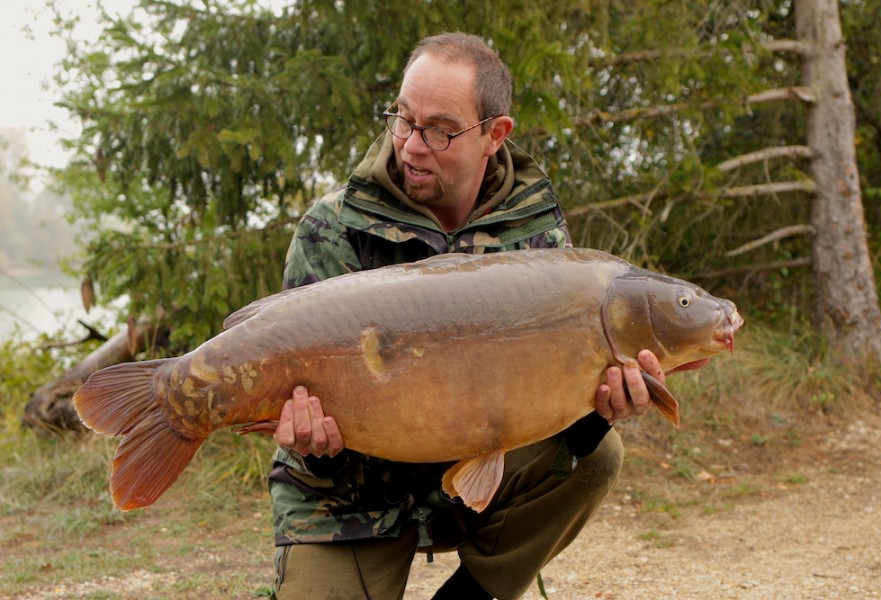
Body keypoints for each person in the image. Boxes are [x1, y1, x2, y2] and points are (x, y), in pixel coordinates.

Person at [268, 32, 692, 600]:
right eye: (402, 118)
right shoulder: (331, 229)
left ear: (496, 134)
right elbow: (293, 386)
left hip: (472, 476)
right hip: (348, 493)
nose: (411, 145)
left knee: (597, 455)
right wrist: (306, 433)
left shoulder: (537, 236)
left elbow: (555, 399)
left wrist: (601, 411)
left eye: (440, 129)